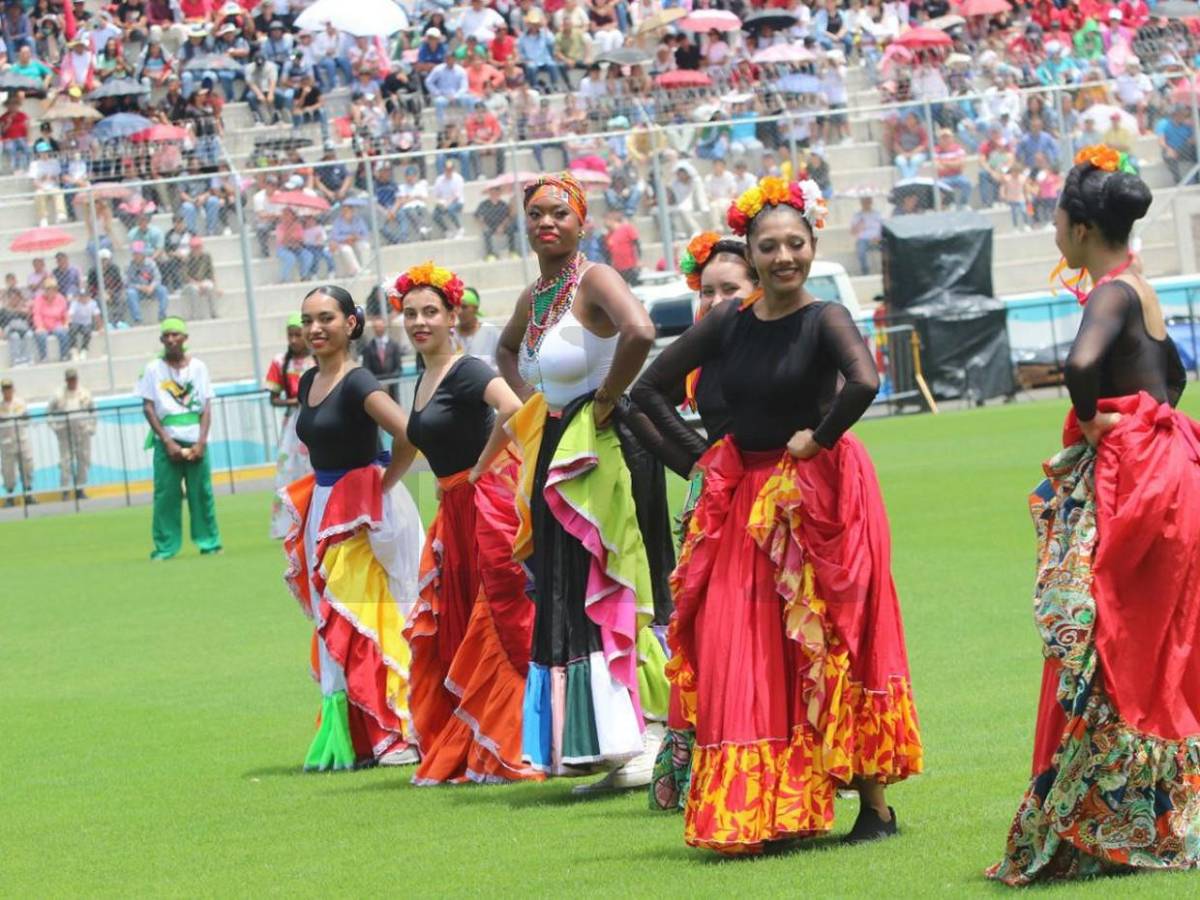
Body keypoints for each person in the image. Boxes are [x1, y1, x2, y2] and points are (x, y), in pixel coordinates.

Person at [630, 176, 924, 853]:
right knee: (748, 642)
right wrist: (702, 462)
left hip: (822, 496)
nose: (784, 256)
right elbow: (645, 391)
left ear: (813, 246)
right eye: (770, 247)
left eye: (795, 244)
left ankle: (873, 806)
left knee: (835, 635)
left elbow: (866, 380)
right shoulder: (728, 322)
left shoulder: (825, 319)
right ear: (752, 254)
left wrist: (818, 438)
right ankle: (771, 806)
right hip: (745, 498)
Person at [989, 146, 1200, 885]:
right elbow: (1173, 375)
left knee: (1092, 633)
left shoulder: (1110, 291)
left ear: (1079, 229)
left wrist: (1092, 420)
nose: (1051, 229)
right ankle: (1132, 813)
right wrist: (1149, 415)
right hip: (1167, 477)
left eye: (1056, 218)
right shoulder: (1138, 286)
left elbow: (1082, 365)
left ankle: (1088, 819)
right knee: (1137, 637)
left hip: (1130, 482)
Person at [495, 172, 673, 792]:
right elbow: (505, 352)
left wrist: (605, 400)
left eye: (559, 214)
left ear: (581, 222)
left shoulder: (595, 279)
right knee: (570, 588)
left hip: (605, 449)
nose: (547, 223)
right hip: (557, 450)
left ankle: (653, 730)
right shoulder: (535, 296)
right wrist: (534, 406)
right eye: (537, 214)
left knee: (618, 578)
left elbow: (642, 331)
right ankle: (610, 739)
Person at [390, 262, 538, 784]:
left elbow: (516, 409)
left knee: (496, 620)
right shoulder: (424, 377)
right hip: (452, 512)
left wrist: (480, 468)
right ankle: (473, 741)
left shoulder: (469, 368)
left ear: (454, 315)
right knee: (455, 626)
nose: (419, 321)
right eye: (410, 314)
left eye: (430, 311)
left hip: (481, 510)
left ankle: (515, 740)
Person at [282, 285, 424, 771]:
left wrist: (383, 482)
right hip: (326, 507)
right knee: (339, 616)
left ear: (350, 323)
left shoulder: (359, 382)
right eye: (308, 319)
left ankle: (396, 731)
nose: (315, 328)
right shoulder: (306, 381)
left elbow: (408, 433)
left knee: (370, 614)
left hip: (365, 514)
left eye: (326, 318)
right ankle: (358, 734)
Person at [643, 231, 757, 813]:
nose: (714, 302)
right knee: (705, 633)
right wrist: (697, 461)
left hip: (771, 500)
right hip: (712, 500)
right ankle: (699, 766)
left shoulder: (773, 343)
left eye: (728, 289)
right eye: (706, 291)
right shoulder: (703, 350)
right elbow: (642, 400)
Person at [138, 318, 221, 559]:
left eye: (176, 335)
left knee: (201, 493)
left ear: (185, 338)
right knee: (166, 495)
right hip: (168, 439)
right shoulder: (153, 369)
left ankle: (209, 542)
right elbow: (148, 407)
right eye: (167, 336)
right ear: (162, 340)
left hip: (195, 436)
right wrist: (167, 441)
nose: (172, 339)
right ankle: (166, 546)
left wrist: (201, 442)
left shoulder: (199, 368)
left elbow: (206, 406)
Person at [266, 313, 315, 539]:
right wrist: (294, 401)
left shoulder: (318, 359)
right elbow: (273, 398)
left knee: (314, 469)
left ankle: (315, 520)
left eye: (298, 334)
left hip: (316, 419)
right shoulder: (279, 361)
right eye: (290, 335)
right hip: (292, 425)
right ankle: (288, 525)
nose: (294, 340)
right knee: (288, 472)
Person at [48, 367, 95, 501]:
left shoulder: (85, 393)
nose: (72, 381)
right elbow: (48, 412)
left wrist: (91, 426)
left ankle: (80, 489)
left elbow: (94, 410)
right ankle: (65, 490)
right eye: (70, 379)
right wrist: (54, 427)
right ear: (66, 380)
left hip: (82, 431)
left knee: (84, 459)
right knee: (65, 461)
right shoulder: (58, 394)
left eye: (74, 379)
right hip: (65, 432)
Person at [0, 377, 35, 507]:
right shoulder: (0, 407)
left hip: (21, 440)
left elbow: (27, 418)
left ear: (13, 389)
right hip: (6, 443)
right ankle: (10, 496)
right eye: (4, 389)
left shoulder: (20, 403)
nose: (7, 391)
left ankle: (29, 494)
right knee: (8, 471)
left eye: (9, 388)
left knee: (27, 467)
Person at [454, 287, 501, 369]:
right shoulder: (451, 335)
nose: (460, 311)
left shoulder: (490, 332)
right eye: (458, 307)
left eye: (464, 307)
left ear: (476, 308)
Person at [361, 315, 404, 401]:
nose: (378, 329)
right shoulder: (368, 348)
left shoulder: (394, 345)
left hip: (393, 390)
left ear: (384, 326)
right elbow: (366, 369)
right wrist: (378, 382)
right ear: (373, 328)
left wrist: (389, 382)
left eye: (380, 326)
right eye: (376, 327)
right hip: (376, 390)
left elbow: (398, 368)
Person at [474, 184, 516, 261]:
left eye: (496, 192)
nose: (494, 194)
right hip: (489, 226)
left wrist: (502, 226)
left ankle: (512, 251)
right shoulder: (484, 204)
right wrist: (483, 224)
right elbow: (477, 215)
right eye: (492, 192)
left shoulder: (503, 204)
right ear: (489, 193)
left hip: (501, 226)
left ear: (499, 193)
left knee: (511, 229)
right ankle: (490, 254)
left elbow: (508, 216)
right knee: (486, 233)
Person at [32, 276, 70, 362]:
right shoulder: (39, 299)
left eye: (53, 289)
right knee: (41, 335)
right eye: (48, 289)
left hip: (57, 324)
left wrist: (66, 323)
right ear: (45, 290)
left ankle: (64, 355)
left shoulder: (60, 298)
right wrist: (39, 326)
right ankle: (44, 357)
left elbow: (65, 313)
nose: (51, 291)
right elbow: (36, 314)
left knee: (62, 332)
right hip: (44, 325)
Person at [181, 237, 218, 319]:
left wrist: (216, 287)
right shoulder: (187, 258)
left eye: (199, 247)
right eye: (195, 247)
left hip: (203, 281)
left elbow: (211, 273)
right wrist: (197, 284)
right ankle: (195, 315)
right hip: (191, 283)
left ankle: (214, 313)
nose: (197, 249)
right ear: (191, 249)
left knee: (210, 287)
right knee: (194, 290)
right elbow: (185, 276)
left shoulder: (206, 257)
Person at [850, 196, 883, 275]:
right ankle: (865, 271)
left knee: (888, 248)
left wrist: (879, 237)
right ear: (861, 203)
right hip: (863, 240)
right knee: (861, 252)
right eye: (864, 201)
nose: (866, 203)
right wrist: (858, 226)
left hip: (877, 239)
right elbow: (852, 232)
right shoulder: (857, 215)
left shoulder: (877, 214)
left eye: (868, 201)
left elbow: (883, 228)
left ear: (871, 202)